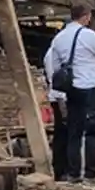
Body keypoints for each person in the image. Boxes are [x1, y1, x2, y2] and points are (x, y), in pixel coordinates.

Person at [45, 4, 95, 185]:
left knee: (74, 132)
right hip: (90, 87)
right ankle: (92, 175)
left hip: (71, 90)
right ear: (86, 17)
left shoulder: (59, 38)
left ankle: (74, 174)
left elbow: (53, 67)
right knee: (94, 130)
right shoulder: (88, 35)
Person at [42, 45, 69, 181]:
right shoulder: (54, 53)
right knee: (63, 133)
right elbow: (55, 79)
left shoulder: (56, 52)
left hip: (61, 97)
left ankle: (63, 169)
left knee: (64, 133)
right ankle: (61, 170)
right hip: (60, 98)